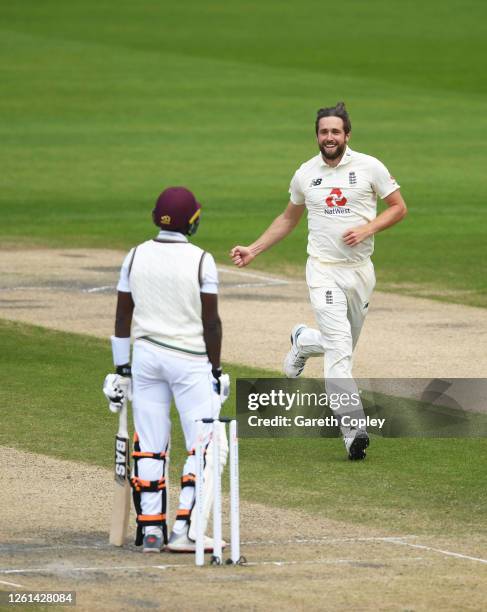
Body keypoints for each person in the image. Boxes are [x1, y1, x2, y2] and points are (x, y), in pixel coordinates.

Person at [230, 102, 407, 460]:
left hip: (360, 272)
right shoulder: (305, 174)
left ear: (347, 135)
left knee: (340, 345)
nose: (329, 137)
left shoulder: (369, 167)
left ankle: (302, 341)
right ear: (317, 135)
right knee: (340, 354)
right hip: (323, 270)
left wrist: (367, 228)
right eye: (324, 132)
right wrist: (254, 249)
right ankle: (353, 429)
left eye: (335, 132)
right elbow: (288, 218)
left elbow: (399, 207)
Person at [103, 187, 230, 553]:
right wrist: (216, 370)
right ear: (193, 221)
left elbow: (122, 315)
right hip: (189, 361)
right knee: (206, 445)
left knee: (151, 443)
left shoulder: (135, 255)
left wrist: (122, 369)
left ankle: (150, 531)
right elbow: (212, 323)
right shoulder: (202, 260)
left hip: (145, 358)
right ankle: (186, 531)